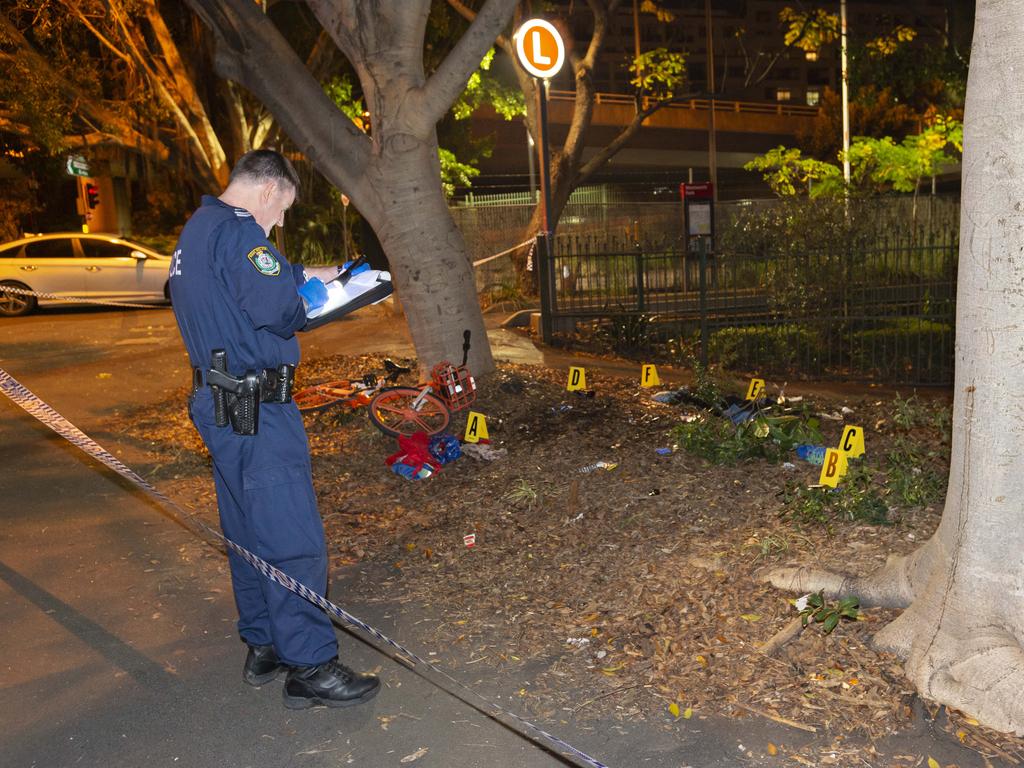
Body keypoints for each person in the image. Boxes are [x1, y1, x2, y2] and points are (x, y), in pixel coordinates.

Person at [168, 149, 379, 710]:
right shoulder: (241, 233)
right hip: (258, 407)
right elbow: (282, 307)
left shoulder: (199, 229)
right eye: (281, 208)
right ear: (266, 191)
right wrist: (311, 298)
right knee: (292, 537)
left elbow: (270, 278)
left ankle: (263, 642)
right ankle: (310, 664)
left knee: (247, 530)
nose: (280, 222)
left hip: (219, 401)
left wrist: (341, 274)